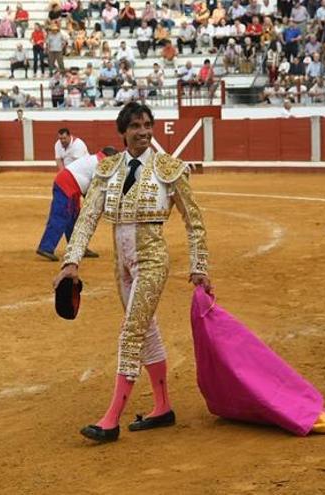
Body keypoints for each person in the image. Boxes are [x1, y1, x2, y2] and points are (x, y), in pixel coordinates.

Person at [54, 102, 211, 443]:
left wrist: (199, 267)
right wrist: (71, 260)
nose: (144, 131)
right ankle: (163, 406)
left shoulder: (169, 169)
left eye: (147, 125)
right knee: (147, 332)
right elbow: (88, 218)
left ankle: (111, 419)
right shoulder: (107, 170)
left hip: (153, 261)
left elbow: (194, 222)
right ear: (123, 132)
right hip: (121, 266)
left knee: (130, 333)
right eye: (136, 126)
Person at [37, 147, 117, 261]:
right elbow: (95, 188)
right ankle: (46, 247)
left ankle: (77, 248)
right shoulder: (102, 164)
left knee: (74, 218)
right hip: (66, 186)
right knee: (60, 216)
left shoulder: (95, 159)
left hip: (72, 187)